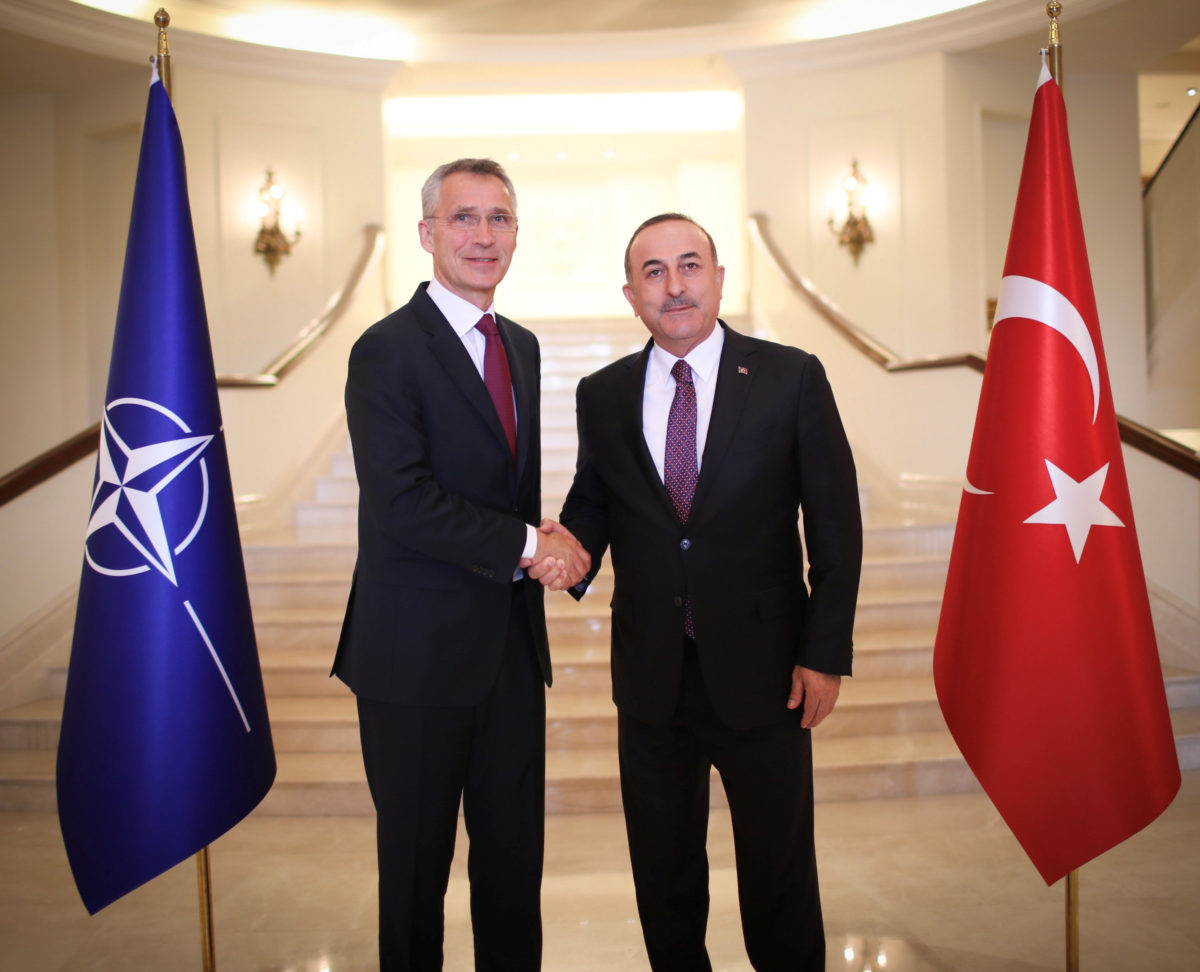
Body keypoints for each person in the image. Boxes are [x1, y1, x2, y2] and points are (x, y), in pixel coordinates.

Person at [545, 213, 862, 970]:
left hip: (767, 675)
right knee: (666, 883)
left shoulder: (790, 376)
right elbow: (594, 504)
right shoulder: (603, 394)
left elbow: (836, 525)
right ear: (631, 295)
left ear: (719, 279)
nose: (675, 285)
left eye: (690, 265)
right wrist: (561, 552)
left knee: (780, 881)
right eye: (653, 272)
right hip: (651, 681)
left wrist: (824, 652)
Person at [333, 157, 590, 971]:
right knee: (415, 883)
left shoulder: (522, 346)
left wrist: (550, 541)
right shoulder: (385, 350)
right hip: (413, 659)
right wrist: (530, 546)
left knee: (513, 878)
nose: (484, 236)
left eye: (499, 218)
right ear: (427, 233)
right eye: (463, 218)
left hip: (509, 653)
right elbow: (402, 502)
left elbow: (505, 486)